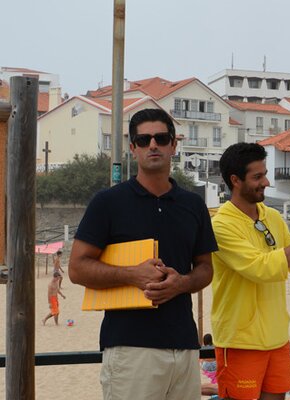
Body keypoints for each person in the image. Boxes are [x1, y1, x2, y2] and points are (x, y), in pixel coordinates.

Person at [68, 109, 218, 400]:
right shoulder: (107, 203)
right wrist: (132, 275)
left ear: (173, 145)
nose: (153, 145)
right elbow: (77, 268)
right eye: (144, 139)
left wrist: (181, 283)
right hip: (130, 348)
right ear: (132, 147)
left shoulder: (193, 205)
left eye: (161, 138)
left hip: (185, 346)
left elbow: (205, 268)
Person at [210, 142, 290, 400]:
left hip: (277, 338)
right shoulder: (220, 225)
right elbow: (262, 268)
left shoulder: (272, 217)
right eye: (257, 177)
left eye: (265, 174)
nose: (266, 182)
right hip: (241, 341)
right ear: (235, 180)